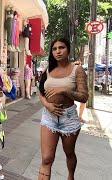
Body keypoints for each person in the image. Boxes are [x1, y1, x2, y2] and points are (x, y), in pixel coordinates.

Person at [38, 38, 88, 180]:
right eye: (54, 49)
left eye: (62, 47)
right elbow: (41, 92)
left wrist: (64, 91)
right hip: (49, 116)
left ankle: (70, 176)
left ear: (68, 50)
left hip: (69, 118)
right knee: (47, 158)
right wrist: (47, 105)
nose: (58, 51)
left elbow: (84, 97)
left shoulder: (77, 70)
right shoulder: (49, 70)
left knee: (69, 153)